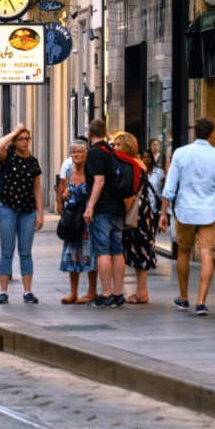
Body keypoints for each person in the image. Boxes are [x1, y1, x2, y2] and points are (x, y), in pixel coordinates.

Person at [160, 116, 215, 316]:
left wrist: (163, 212)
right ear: (212, 134)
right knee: (207, 253)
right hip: (209, 212)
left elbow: (170, 186)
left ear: (195, 132)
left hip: (185, 211)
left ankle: (183, 298)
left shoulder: (180, 154)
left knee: (183, 252)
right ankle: (201, 302)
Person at [0, 123, 43, 304]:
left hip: (28, 211)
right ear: (14, 142)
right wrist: (13, 131)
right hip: (7, 208)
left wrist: (41, 214)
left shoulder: (33, 161)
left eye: (27, 139)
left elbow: (37, 189)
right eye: (21, 139)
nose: (25, 142)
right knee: (7, 251)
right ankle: (3, 291)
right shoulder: (8, 157)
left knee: (25, 251)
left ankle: (28, 291)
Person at [83, 119, 129, 308]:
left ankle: (106, 295)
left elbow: (99, 180)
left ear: (89, 134)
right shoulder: (111, 151)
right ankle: (118, 294)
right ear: (106, 133)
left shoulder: (94, 153)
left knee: (102, 252)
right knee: (117, 250)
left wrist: (90, 206)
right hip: (117, 208)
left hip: (101, 210)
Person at [117, 131, 160, 305]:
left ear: (127, 146)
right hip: (142, 209)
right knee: (139, 248)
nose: (115, 148)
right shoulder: (138, 163)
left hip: (136, 210)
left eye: (119, 144)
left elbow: (131, 193)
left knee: (140, 249)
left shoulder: (133, 164)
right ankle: (141, 291)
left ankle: (141, 292)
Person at [57, 141, 97, 304]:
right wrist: (64, 196)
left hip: (87, 219)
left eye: (80, 151)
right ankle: (73, 291)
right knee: (72, 253)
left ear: (86, 154)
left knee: (88, 254)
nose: (76, 154)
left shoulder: (92, 172)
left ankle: (92, 291)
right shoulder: (68, 170)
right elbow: (65, 192)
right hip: (73, 219)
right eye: (73, 152)